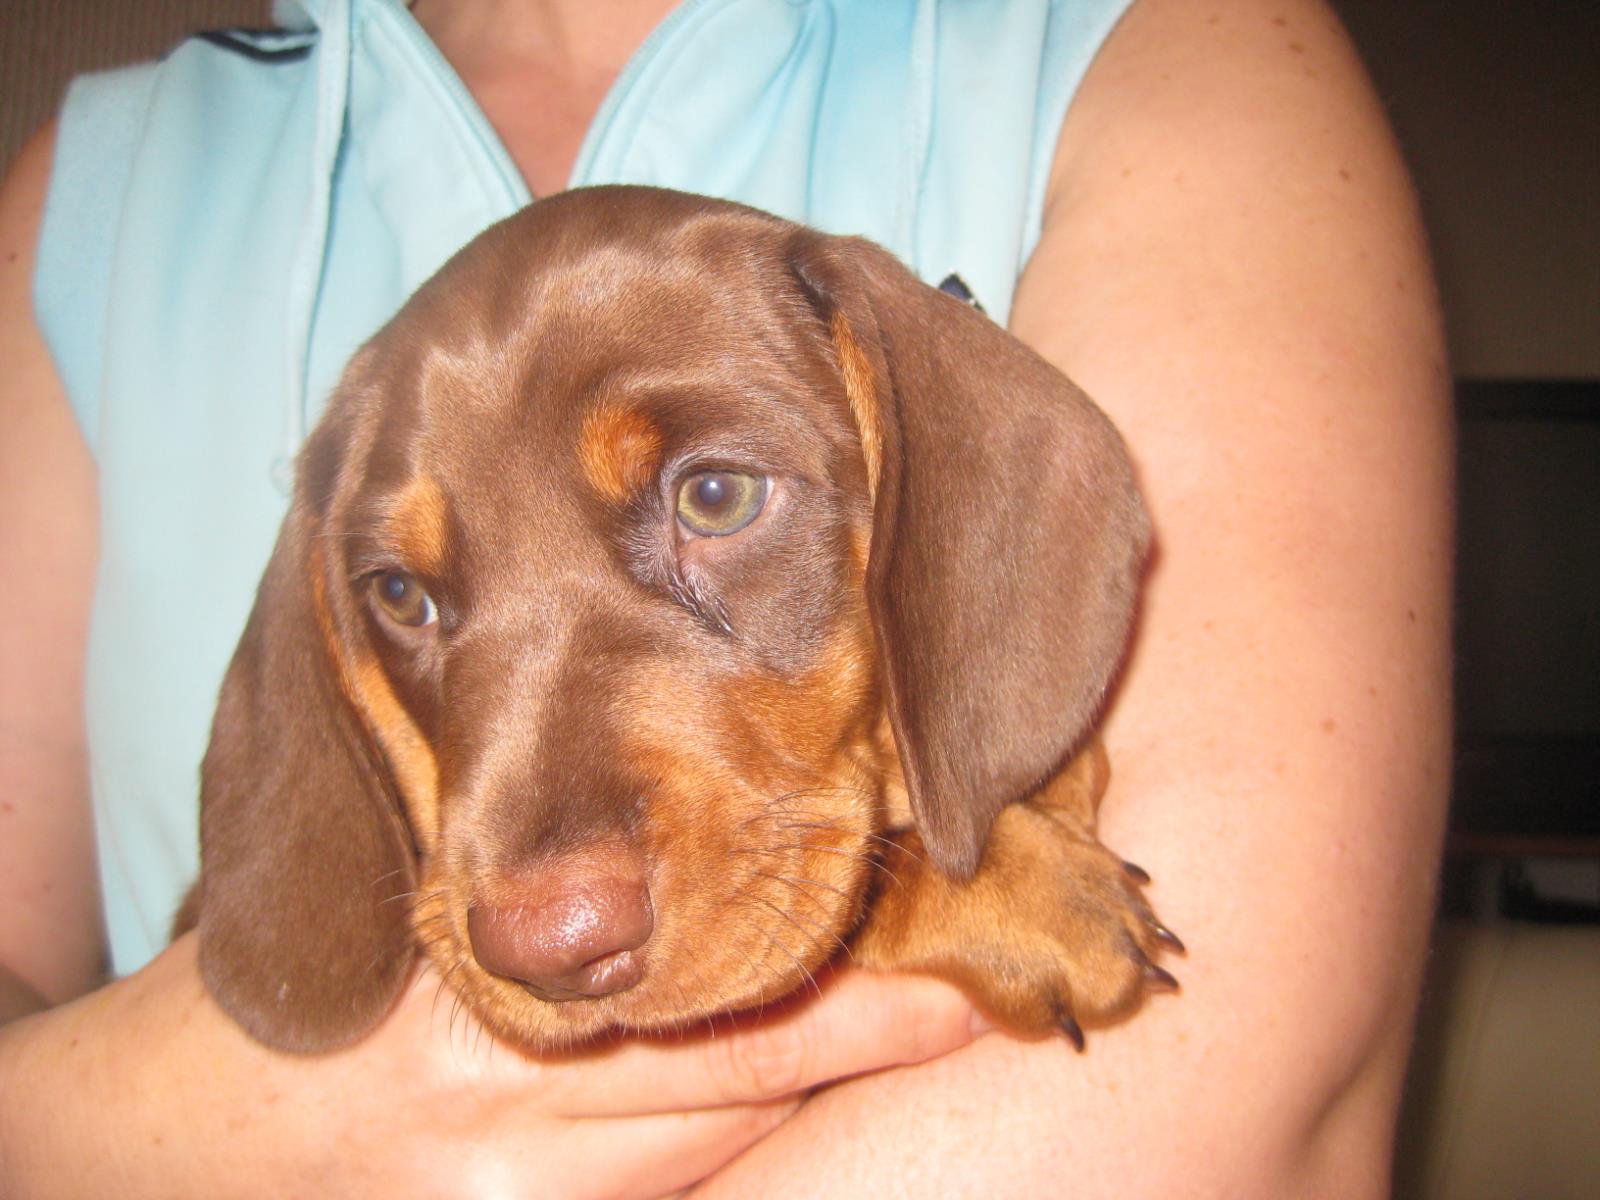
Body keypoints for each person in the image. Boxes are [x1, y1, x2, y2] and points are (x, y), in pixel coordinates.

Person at [0, 0, 1452, 1194]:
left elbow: (1231, 1122)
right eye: (411, 596)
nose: (543, 915)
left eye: (710, 498)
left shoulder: (1142, 46)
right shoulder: (115, 181)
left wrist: (905, 867)